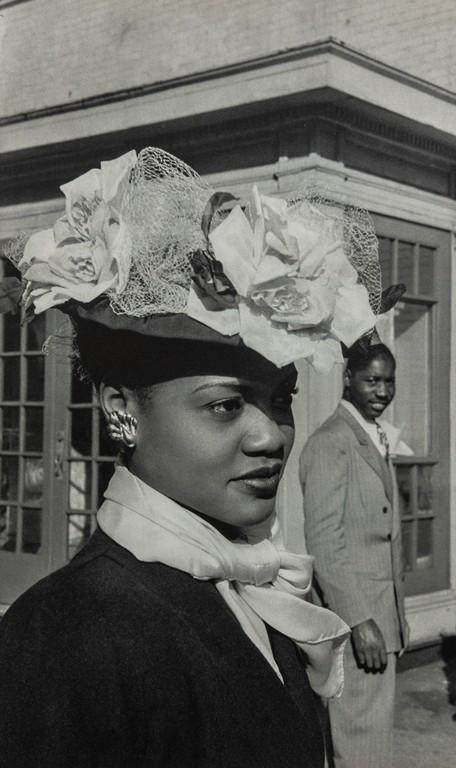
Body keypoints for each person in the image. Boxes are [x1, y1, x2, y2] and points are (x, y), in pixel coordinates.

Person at [0, 147, 381, 767]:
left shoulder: (255, 582)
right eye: (225, 406)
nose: (272, 436)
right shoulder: (67, 631)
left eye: (280, 399)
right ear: (122, 408)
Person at [299, 340, 409, 768]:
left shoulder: (369, 436)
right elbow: (325, 540)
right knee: (358, 740)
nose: (382, 391)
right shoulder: (332, 442)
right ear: (348, 379)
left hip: (382, 616)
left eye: (389, 381)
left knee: (370, 736)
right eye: (372, 380)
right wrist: (361, 620)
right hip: (358, 621)